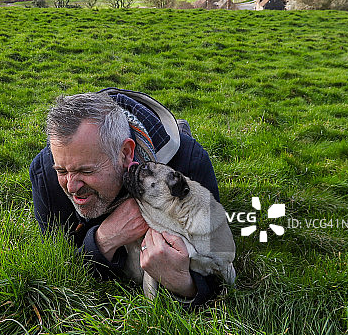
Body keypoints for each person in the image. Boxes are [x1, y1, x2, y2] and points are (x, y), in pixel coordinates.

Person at [30, 88, 223, 306]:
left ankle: (180, 131)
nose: (72, 186)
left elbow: (218, 268)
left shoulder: (189, 163)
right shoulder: (45, 172)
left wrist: (184, 284)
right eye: (62, 171)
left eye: (86, 171)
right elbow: (58, 270)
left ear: (125, 153)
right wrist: (104, 239)